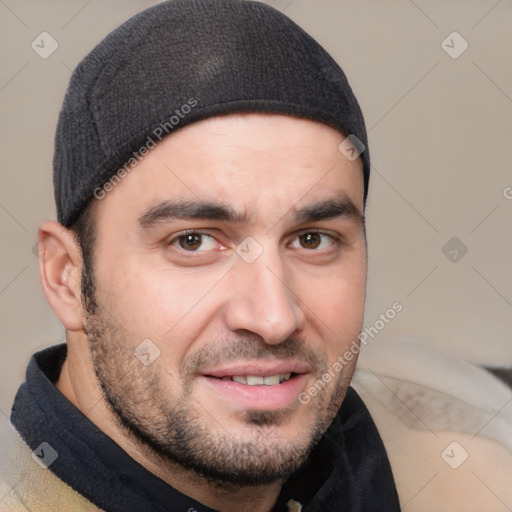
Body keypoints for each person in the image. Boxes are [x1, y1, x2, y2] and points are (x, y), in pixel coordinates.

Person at [0, 1, 401, 510]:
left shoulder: (459, 469)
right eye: (194, 241)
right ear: (66, 277)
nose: (273, 319)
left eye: (312, 239)